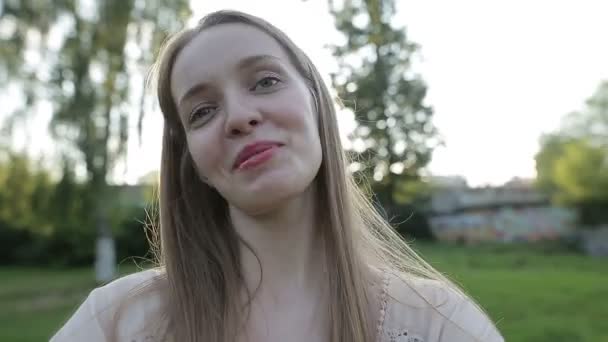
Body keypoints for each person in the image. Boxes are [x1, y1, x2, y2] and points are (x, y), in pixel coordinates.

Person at [51, 10, 504, 342]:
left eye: (265, 81)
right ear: (194, 165)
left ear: (317, 105)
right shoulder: (115, 323)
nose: (239, 116)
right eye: (203, 111)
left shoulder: (441, 324)